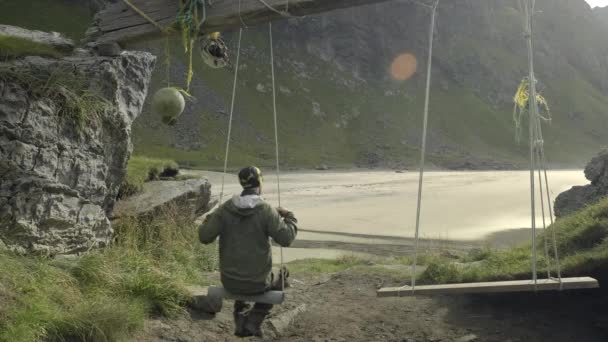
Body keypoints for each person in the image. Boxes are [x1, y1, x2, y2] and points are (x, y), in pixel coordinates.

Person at [199, 166, 298, 337]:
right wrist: (289, 216)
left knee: (242, 273)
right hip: (258, 283)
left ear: (242, 184)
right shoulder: (267, 210)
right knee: (282, 277)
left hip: (230, 281)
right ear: (260, 183)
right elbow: (286, 239)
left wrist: (211, 217)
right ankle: (254, 320)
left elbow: (205, 236)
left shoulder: (225, 209)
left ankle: (240, 320)